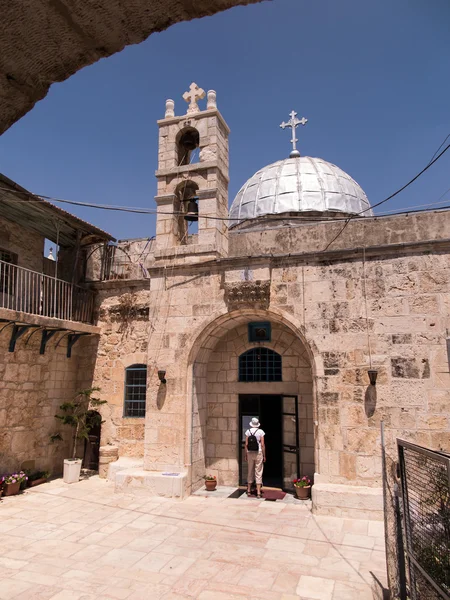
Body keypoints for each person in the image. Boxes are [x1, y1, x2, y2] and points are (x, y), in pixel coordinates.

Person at [245, 417, 266, 498]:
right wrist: (264, 455)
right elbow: (263, 444)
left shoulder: (248, 431)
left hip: (250, 452)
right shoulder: (261, 432)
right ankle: (258, 492)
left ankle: (249, 490)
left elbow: (246, 444)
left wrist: (245, 455)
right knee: (258, 471)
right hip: (259, 452)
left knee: (250, 470)